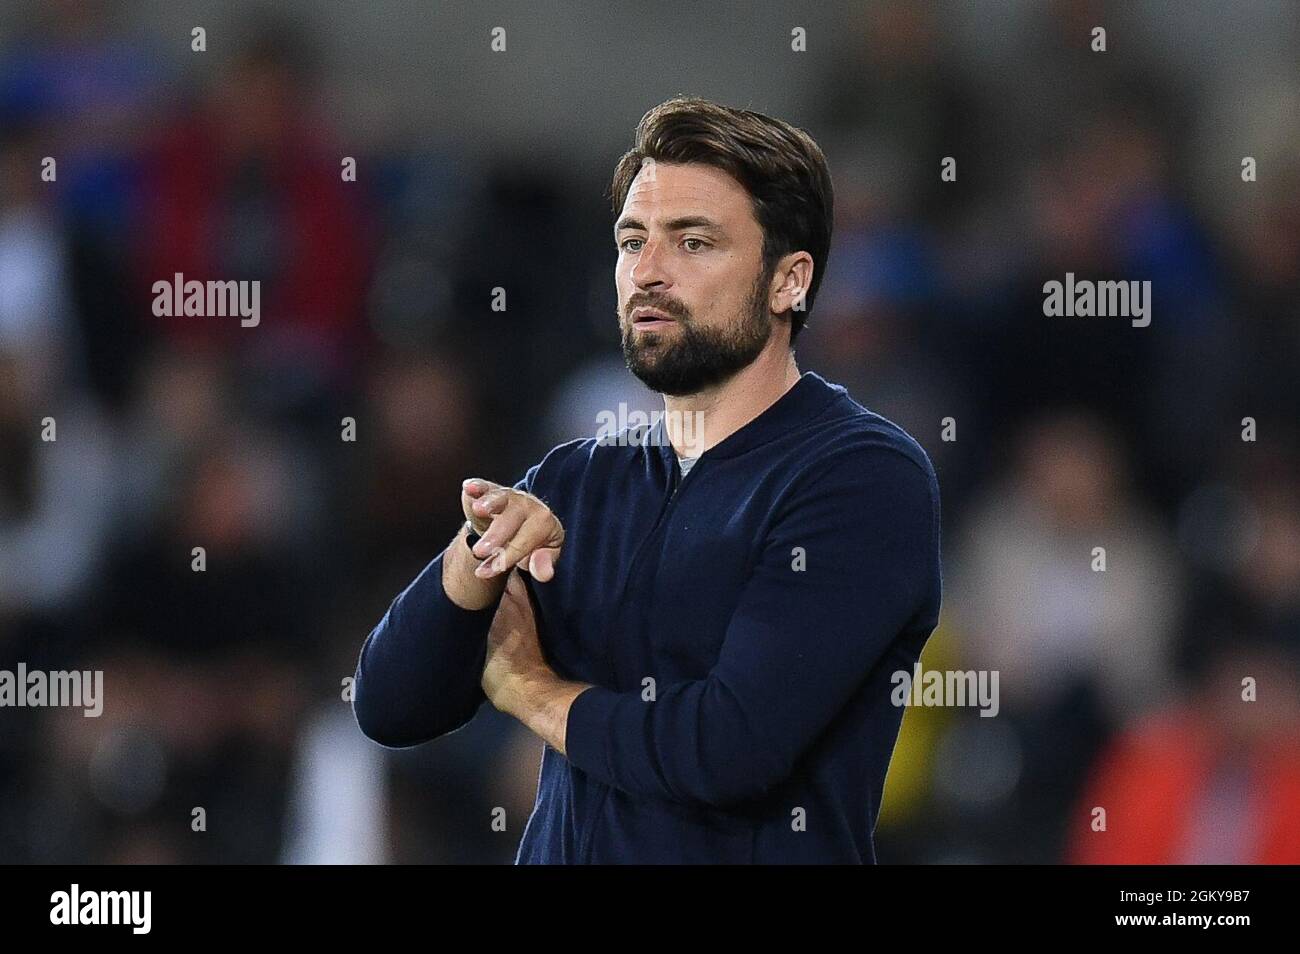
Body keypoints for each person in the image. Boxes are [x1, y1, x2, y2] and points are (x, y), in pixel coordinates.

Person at [352, 96, 942, 863]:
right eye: (633, 241)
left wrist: (533, 690)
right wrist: (476, 557)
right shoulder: (577, 478)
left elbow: (727, 749)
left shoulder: (860, 478)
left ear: (789, 280)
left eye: (693, 243)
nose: (648, 273)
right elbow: (390, 706)